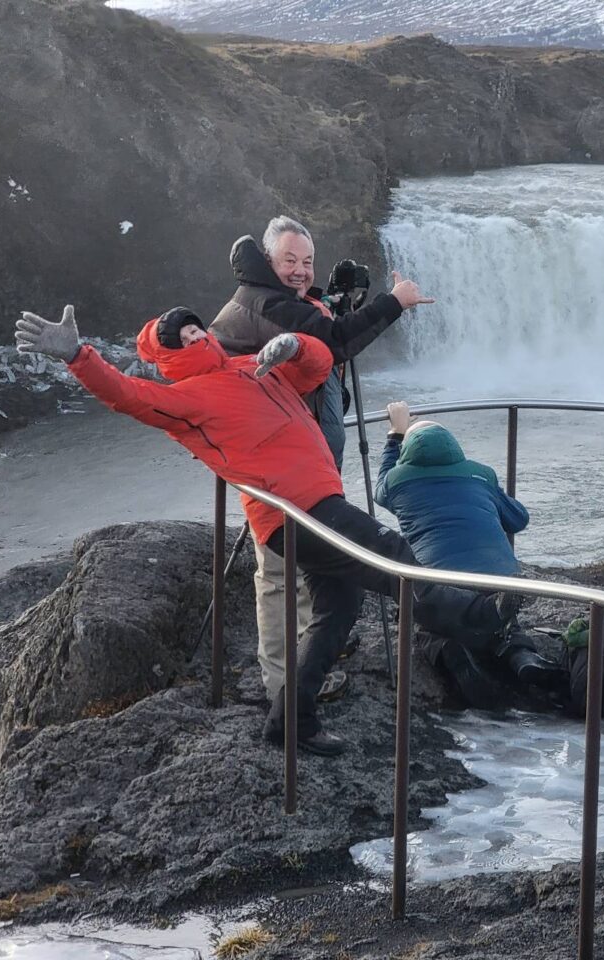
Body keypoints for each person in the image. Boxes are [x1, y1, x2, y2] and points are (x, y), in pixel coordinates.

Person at [14, 305, 516, 756]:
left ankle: (289, 721)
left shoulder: (254, 367)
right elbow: (126, 395)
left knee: (338, 610)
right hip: (294, 513)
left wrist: (295, 346)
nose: (193, 337)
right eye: (181, 339)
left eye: (194, 329)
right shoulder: (183, 399)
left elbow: (319, 369)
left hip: (318, 503)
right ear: (169, 355)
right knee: (393, 555)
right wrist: (77, 356)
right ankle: (476, 616)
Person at [209, 216, 431, 706]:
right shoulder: (265, 305)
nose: (300, 270)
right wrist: (394, 302)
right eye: (289, 259)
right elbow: (333, 342)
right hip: (274, 467)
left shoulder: (278, 299)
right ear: (267, 260)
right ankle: (283, 683)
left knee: (308, 566)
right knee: (279, 574)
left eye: (307, 261)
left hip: (296, 461)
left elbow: (319, 345)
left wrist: (330, 304)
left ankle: (307, 656)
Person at [374, 403, 566, 707]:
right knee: (504, 625)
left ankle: (448, 651)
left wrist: (395, 436)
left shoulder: (398, 481)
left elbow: (379, 487)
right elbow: (519, 519)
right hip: (499, 580)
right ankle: (521, 655)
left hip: (440, 588)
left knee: (425, 622)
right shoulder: (481, 475)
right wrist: (488, 495)